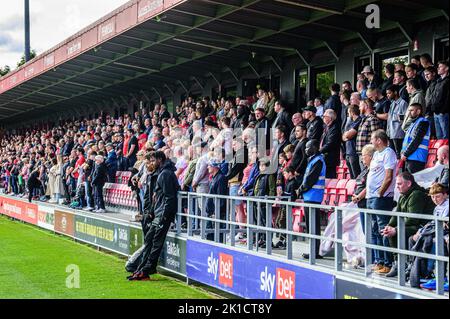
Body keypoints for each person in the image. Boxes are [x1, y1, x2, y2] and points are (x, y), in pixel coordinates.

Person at [128, 151, 179, 281]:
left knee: (156, 242)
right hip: (158, 212)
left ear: (160, 159)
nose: (150, 163)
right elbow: (157, 197)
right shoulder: (162, 173)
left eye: (152, 160)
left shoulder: (166, 174)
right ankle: (142, 268)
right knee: (149, 240)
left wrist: (165, 216)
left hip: (163, 214)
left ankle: (146, 270)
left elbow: (170, 197)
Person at [381, 172, 435, 277]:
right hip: (411, 225)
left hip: (423, 227)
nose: (397, 186)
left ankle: (403, 264)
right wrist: (389, 226)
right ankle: (398, 263)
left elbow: (413, 219)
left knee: (396, 232)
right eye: (397, 184)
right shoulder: (403, 196)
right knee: (388, 233)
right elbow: (396, 215)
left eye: (399, 184)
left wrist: (395, 229)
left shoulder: (416, 194)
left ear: (409, 183)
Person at [366, 129, 397, 274]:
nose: (371, 141)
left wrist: (380, 193)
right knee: (374, 231)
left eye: (372, 139)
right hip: (371, 197)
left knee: (383, 229)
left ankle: (388, 262)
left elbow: (389, 176)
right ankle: (379, 261)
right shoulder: (377, 154)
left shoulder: (388, 153)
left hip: (381, 198)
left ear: (379, 140)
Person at [409, 183, 449, 290]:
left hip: (444, 233)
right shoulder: (437, 208)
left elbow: (444, 224)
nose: (435, 199)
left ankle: (440, 277)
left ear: (445, 195)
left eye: (438, 196)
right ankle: (418, 272)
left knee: (433, 242)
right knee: (413, 239)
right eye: (432, 197)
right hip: (438, 232)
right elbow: (434, 222)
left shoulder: (448, 205)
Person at [298, 139, 326, 260]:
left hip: (313, 196)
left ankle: (315, 252)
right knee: (310, 226)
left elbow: (310, 179)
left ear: (314, 147)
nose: (305, 150)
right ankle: (313, 251)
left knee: (313, 226)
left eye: (307, 147)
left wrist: (300, 190)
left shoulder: (318, 161)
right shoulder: (313, 160)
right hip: (309, 196)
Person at [401, 103, 430, 174]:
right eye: (409, 110)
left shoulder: (423, 122)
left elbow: (416, 140)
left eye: (411, 110)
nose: (409, 113)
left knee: (415, 182)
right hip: (410, 157)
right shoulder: (413, 123)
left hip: (417, 158)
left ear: (418, 111)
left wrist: (405, 153)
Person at [355, 98, 383, 170]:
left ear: (366, 106)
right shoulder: (364, 119)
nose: (359, 108)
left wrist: (371, 154)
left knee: (368, 178)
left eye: (360, 106)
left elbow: (376, 138)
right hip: (362, 154)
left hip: (369, 155)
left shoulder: (372, 119)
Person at [352, 144, 375, 230]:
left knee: (370, 232)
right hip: (360, 204)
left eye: (363, 155)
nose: (362, 158)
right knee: (365, 230)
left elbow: (369, 185)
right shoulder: (365, 169)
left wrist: (358, 197)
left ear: (370, 156)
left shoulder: (373, 169)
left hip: (366, 204)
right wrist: (355, 195)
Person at [206, 160, 229, 242]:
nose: (208, 167)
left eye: (209, 165)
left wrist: (216, 212)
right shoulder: (214, 177)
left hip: (216, 213)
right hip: (211, 212)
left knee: (217, 236)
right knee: (209, 235)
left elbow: (221, 197)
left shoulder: (221, 178)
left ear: (214, 166)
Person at [385, 85, 408, 158]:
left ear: (395, 92)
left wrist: (394, 117)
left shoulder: (403, 103)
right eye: (387, 93)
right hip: (391, 133)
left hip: (398, 134)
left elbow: (405, 117)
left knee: (399, 154)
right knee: (393, 155)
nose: (387, 95)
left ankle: (400, 169)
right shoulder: (392, 104)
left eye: (389, 93)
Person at [320, 109, 341, 178]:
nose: (323, 118)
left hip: (331, 159)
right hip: (325, 158)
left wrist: (319, 151)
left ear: (329, 118)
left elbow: (330, 143)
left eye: (324, 116)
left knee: (330, 178)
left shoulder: (335, 128)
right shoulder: (327, 127)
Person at [342, 104, 362, 179]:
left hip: (354, 152)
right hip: (348, 152)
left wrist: (346, 135)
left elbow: (347, 135)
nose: (348, 115)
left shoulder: (359, 121)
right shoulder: (351, 122)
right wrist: (346, 135)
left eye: (348, 113)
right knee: (352, 177)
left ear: (352, 113)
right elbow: (343, 136)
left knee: (356, 176)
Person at [434, 60, 449, 139]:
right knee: (439, 136)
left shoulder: (447, 81)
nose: (438, 68)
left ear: (446, 68)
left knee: (445, 136)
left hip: (443, 113)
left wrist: (443, 111)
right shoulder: (438, 81)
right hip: (436, 112)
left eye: (440, 67)